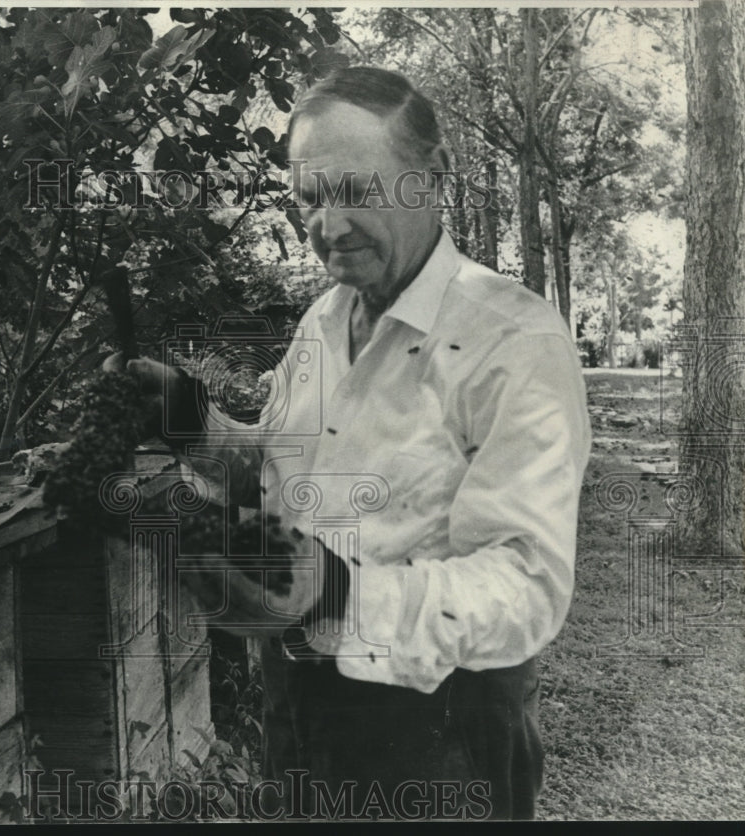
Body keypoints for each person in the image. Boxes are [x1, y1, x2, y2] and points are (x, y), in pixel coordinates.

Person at [108, 66, 591, 821]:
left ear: (431, 180)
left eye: (357, 191)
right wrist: (191, 425)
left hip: (437, 733)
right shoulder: (324, 320)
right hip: (300, 704)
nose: (328, 226)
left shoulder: (513, 340)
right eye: (309, 198)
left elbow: (526, 587)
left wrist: (337, 590)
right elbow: (279, 471)